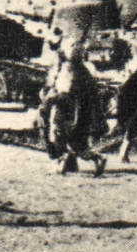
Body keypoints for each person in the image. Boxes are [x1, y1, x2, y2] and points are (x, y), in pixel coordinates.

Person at [42, 38, 106, 176]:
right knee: (77, 143)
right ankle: (95, 158)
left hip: (64, 108)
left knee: (56, 135)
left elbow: (65, 90)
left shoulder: (68, 69)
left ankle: (60, 161)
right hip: (80, 112)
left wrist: (51, 98)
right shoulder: (84, 70)